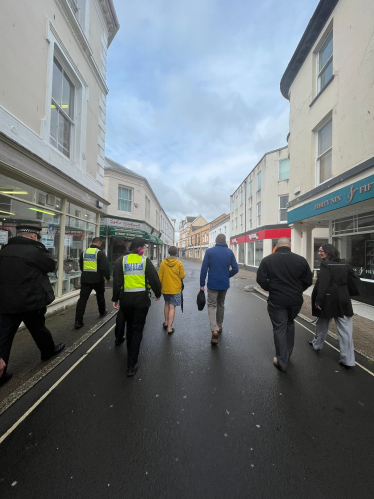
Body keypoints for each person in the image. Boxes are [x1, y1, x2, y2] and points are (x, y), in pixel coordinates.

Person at [0, 225, 65, 385]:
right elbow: (51, 266)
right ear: (33, 237)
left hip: (6, 301)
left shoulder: (4, 251)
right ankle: (48, 352)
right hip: (30, 301)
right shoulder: (34, 251)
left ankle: (0, 373)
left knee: (3, 337)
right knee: (38, 329)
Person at [256, 237, 313, 373]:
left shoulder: (268, 260)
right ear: (290, 245)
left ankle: (282, 361)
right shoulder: (301, 260)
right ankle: (287, 355)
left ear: (277, 245)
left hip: (277, 300)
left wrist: (271, 288)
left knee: (279, 327)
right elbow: (308, 280)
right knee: (289, 323)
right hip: (295, 301)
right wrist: (298, 290)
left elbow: (260, 279)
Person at [112, 237, 162, 376]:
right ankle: (131, 364)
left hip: (126, 300)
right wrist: (158, 293)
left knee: (129, 328)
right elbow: (154, 278)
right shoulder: (144, 260)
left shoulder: (122, 260)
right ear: (141, 248)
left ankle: (130, 357)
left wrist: (115, 299)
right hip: (141, 300)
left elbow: (117, 281)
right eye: (144, 247)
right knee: (137, 330)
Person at [309, 244, 355, 369]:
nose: (319, 253)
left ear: (328, 252)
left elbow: (323, 283)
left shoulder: (325, 264)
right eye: (319, 251)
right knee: (346, 330)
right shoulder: (345, 263)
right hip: (343, 298)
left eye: (321, 251)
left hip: (328, 298)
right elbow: (352, 280)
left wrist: (318, 301)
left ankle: (317, 345)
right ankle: (348, 360)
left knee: (322, 323)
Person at [200, 234, 238, 345]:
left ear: (216, 241)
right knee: (221, 304)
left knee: (211, 305)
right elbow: (235, 269)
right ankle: (219, 326)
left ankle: (214, 329)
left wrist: (202, 284)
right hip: (224, 284)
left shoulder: (210, 252)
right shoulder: (229, 252)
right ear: (225, 241)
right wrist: (227, 275)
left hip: (212, 284)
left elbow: (204, 269)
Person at [74, 237, 110, 329]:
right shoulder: (100, 253)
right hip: (98, 279)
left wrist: (86, 274)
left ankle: (78, 321)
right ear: (98, 243)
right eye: (100, 244)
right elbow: (104, 268)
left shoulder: (84, 252)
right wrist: (107, 277)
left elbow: (81, 266)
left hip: (85, 280)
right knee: (100, 296)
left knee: (82, 300)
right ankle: (102, 312)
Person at [158, 246, 186, 334]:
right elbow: (182, 276)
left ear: (169, 253)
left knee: (166, 304)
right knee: (172, 307)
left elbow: (160, 276)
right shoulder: (179, 263)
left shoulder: (163, 263)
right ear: (176, 253)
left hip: (165, 288)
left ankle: (166, 322)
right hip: (175, 289)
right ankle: (170, 328)